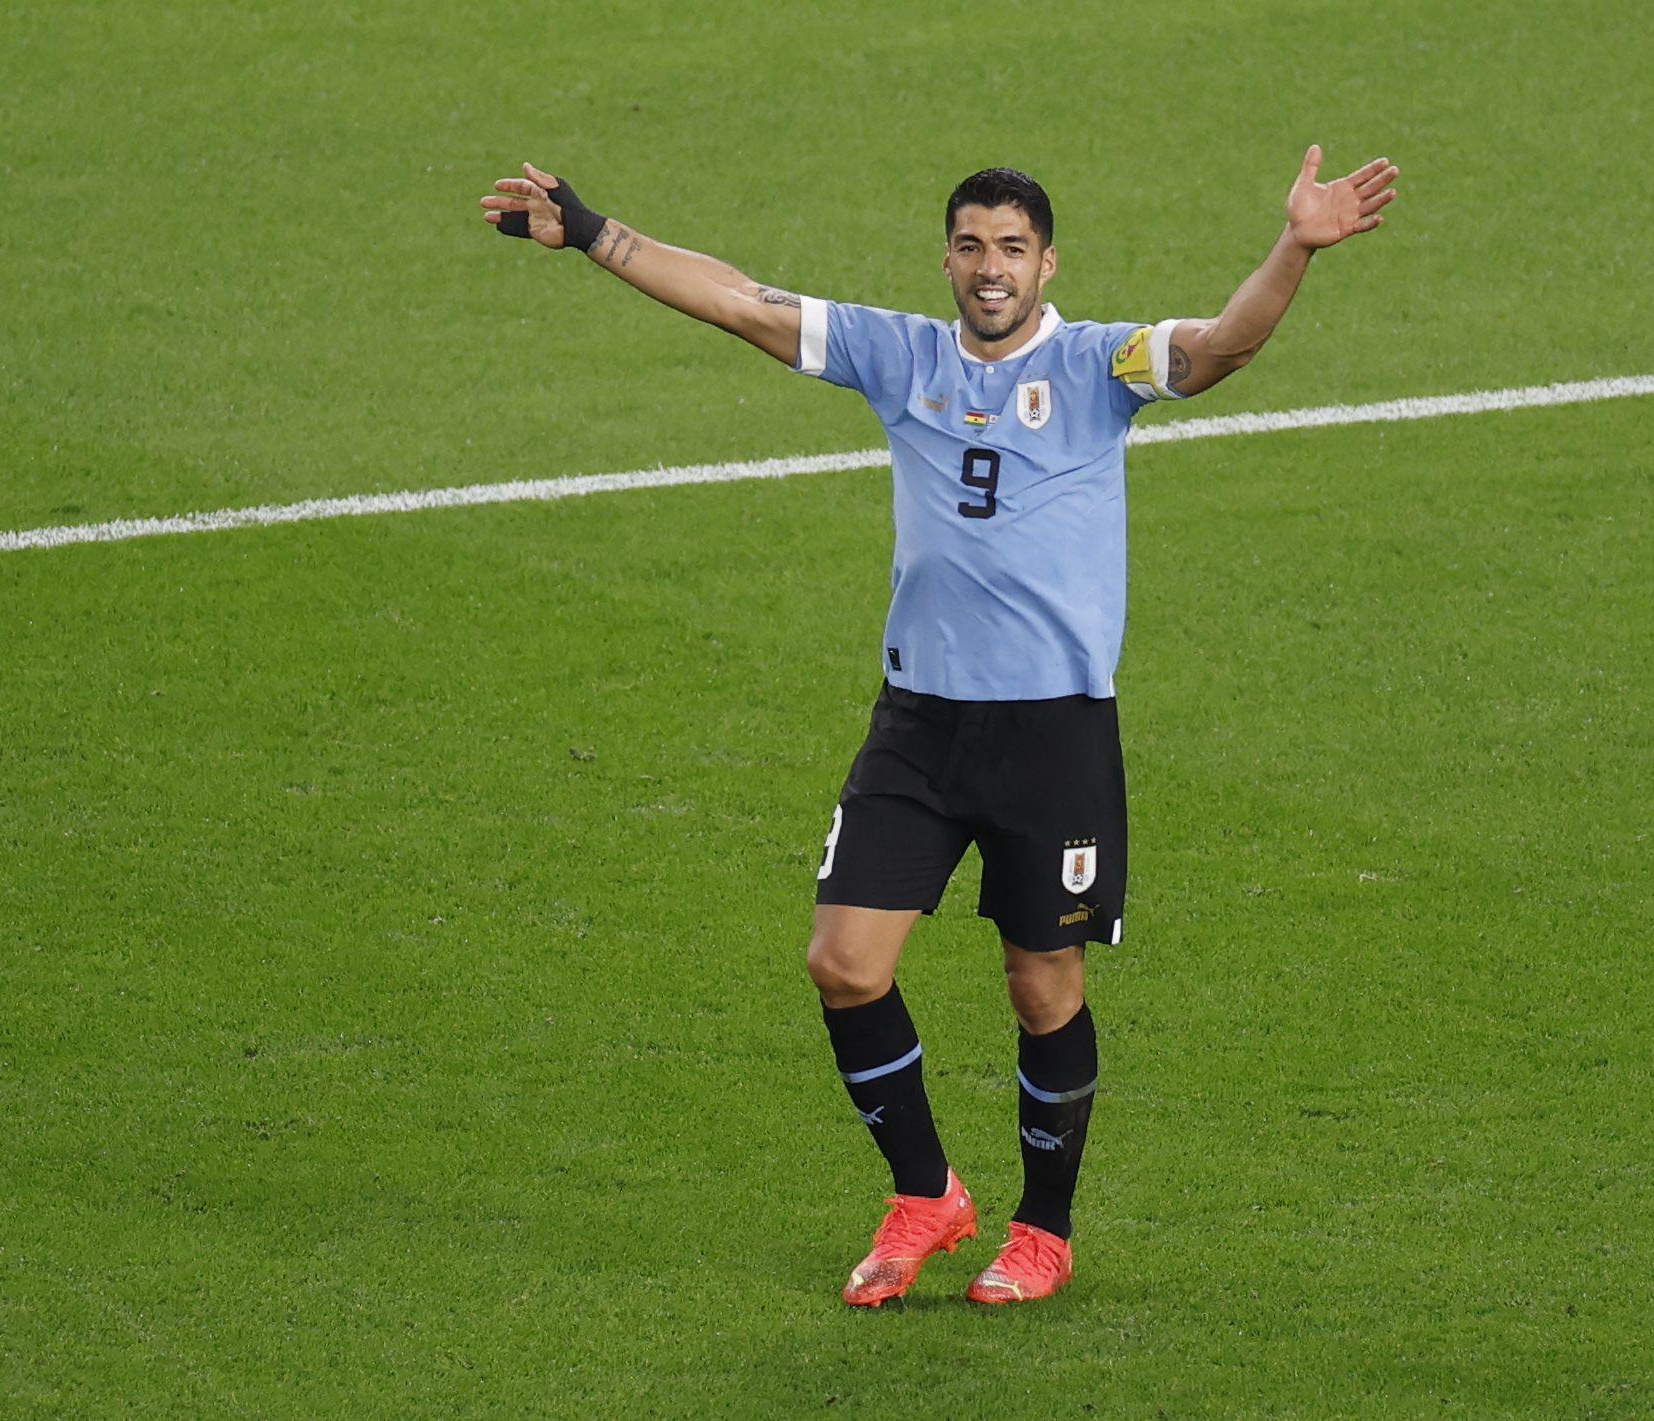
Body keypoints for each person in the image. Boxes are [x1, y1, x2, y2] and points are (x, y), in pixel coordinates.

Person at [482, 149, 1397, 1306]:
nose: (988, 267)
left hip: (1051, 731)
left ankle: (1043, 1231)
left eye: (1010, 247)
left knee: (1040, 985)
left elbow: (1218, 348)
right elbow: (736, 298)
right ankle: (926, 1193)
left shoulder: (1094, 363)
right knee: (842, 962)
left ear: (1046, 261)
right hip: (917, 724)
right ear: (947, 258)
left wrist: (1295, 247)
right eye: (969, 245)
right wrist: (595, 230)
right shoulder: (899, 353)